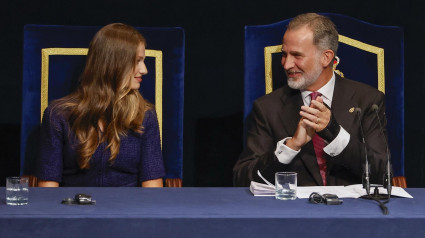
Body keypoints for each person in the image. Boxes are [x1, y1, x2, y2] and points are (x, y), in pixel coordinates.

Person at [233, 13, 388, 187]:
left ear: (326, 57)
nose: (286, 64)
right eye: (284, 55)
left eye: (297, 55)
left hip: (352, 210)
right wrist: (290, 146)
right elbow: (243, 180)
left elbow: (382, 174)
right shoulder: (268, 108)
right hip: (295, 211)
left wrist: (335, 134)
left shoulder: (367, 101)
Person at [36, 23, 165, 187]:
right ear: (114, 64)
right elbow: (48, 187)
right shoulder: (58, 115)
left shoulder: (145, 115)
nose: (144, 69)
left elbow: (153, 188)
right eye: (138, 61)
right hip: (74, 209)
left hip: (129, 210)